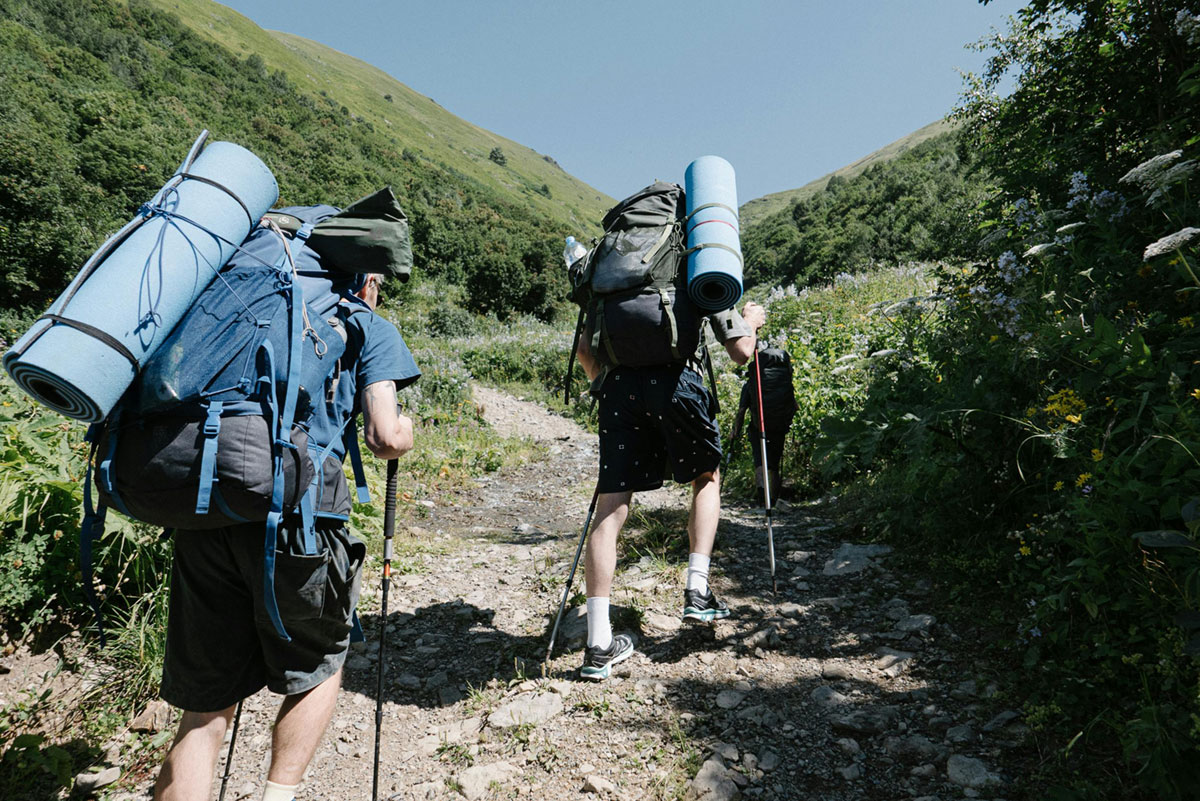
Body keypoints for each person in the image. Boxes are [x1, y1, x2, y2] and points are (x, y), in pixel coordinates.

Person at [153, 272, 418, 801]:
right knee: (316, 668)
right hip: (301, 521)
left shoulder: (229, 304)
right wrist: (404, 431)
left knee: (205, 706)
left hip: (207, 509)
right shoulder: (366, 323)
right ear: (367, 277)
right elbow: (384, 437)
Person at [574, 298, 766, 680]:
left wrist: (611, 379)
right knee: (706, 477)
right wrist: (751, 321)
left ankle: (598, 644)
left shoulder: (611, 266)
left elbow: (583, 349)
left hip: (617, 388)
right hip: (678, 382)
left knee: (611, 503)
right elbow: (742, 352)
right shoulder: (692, 259)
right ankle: (697, 590)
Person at [731, 345, 798, 505]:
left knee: (760, 462)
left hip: (758, 426)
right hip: (779, 426)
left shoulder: (751, 385)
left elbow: (741, 411)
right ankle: (773, 500)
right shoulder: (783, 383)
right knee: (774, 464)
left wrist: (735, 432)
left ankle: (763, 499)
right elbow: (794, 406)